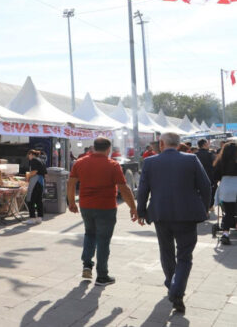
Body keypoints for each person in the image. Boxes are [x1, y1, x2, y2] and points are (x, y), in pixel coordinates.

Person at [137, 132, 211, 314]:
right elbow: (206, 185)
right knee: (185, 256)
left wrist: (141, 211)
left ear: (161, 143)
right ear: (178, 144)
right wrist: (204, 207)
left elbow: (143, 189)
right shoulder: (191, 159)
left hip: (161, 214)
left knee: (166, 251)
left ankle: (172, 283)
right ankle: (177, 290)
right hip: (187, 214)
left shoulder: (150, 162)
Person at [67, 137, 137, 287]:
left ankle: (87, 265)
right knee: (103, 240)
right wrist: (133, 207)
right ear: (108, 149)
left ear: (93, 147)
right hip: (106, 207)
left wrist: (72, 202)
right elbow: (124, 188)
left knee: (89, 234)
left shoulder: (80, 162)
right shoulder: (113, 165)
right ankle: (102, 276)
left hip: (86, 205)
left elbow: (71, 183)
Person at [213, 142, 237, 245]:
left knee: (228, 213)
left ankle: (225, 234)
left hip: (226, 187)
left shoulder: (220, 161)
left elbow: (215, 176)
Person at [24, 149, 47, 225]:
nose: (28, 157)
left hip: (35, 182)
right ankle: (39, 218)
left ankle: (32, 218)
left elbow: (34, 171)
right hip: (41, 182)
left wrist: (28, 176)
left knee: (31, 200)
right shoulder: (41, 160)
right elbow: (45, 173)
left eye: (28, 155)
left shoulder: (34, 160)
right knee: (39, 200)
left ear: (31, 154)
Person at [195, 139, 217, 210]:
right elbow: (215, 165)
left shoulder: (194, 155)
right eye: (207, 144)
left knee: (199, 192)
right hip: (210, 177)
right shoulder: (210, 154)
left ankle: (201, 206)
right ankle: (210, 206)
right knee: (211, 192)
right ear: (204, 145)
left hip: (197, 177)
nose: (208, 145)